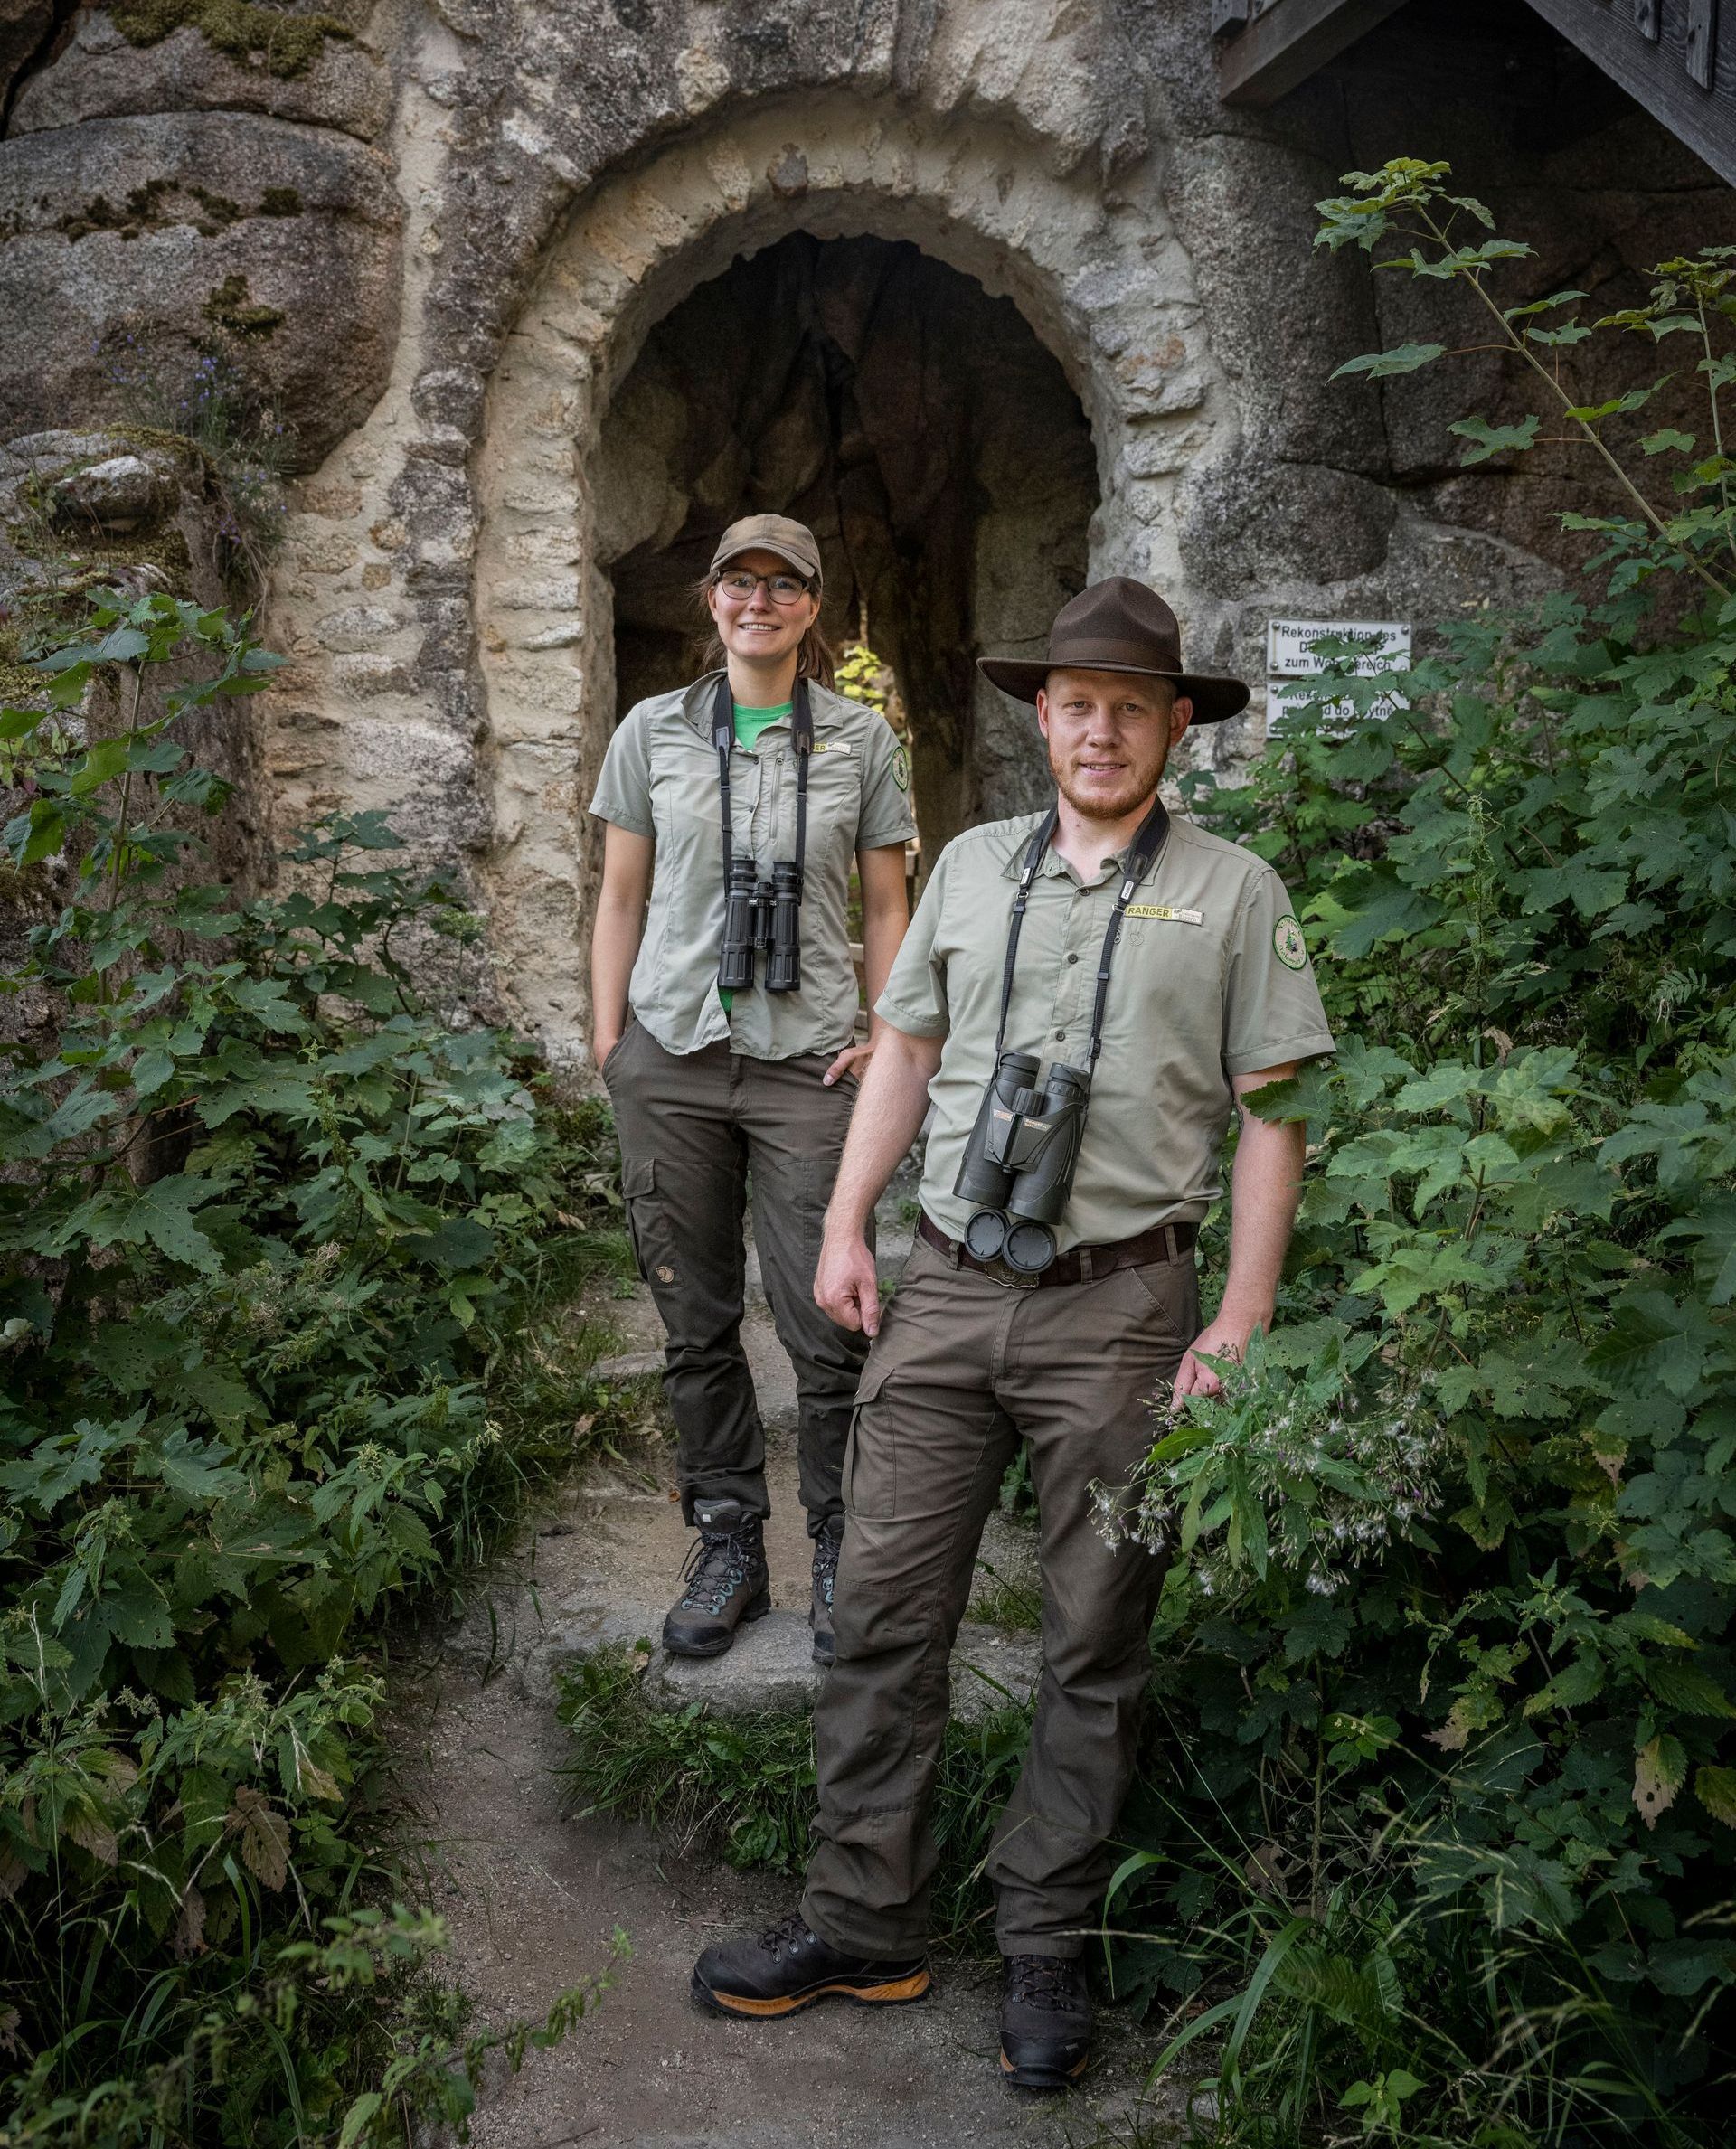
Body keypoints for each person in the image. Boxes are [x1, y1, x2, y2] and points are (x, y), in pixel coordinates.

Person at [691, 577, 1336, 2086]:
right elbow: (906, 1048)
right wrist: (849, 1224)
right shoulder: (976, 867)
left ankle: (1047, 1942)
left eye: (1129, 705)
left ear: (1178, 723)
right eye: (1073, 703)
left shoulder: (1238, 892)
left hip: (1122, 1304)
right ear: (1037, 718)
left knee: (1094, 1640)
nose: (1099, 729)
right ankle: (864, 1919)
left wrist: (1238, 1313)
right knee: (884, 1610)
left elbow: (1274, 1113)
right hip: (949, 1285)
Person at [590, 514, 917, 1667]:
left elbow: (887, 908)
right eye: (741, 581)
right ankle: (729, 1539)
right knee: (695, 1321)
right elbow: (620, 893)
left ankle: (838, 1544)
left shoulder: (861, 743)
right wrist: (609, 1035)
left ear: (813, 608)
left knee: (830, 1320)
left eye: (785, 585)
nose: (760, 601)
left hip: (808, 1062)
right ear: (713, 599)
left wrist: (886, 1036)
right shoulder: (654, 731)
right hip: (672, 1056)